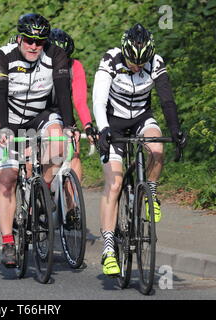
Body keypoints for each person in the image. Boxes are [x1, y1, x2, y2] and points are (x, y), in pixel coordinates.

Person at [92, 23, 186, 276]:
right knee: (114, 184)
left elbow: (166, 99)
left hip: (142, 117)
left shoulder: (154, 62)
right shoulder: (110, 60)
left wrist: (175, 129)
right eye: (133, 62)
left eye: (141, 63)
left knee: (156, 149)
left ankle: (151, 193)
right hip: (114, 123)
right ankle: (109, 249)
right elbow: (99, 100)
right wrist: (103, 130)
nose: (137, 67)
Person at [0, 13, 75, 267]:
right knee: (8, 179)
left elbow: (63, 92)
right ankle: (7, 242)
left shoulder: (56, 55)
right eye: (28, 40)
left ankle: (42, 189)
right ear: (19, 37)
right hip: (8, 118)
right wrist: (3, 129)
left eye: (39, 42)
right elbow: (0, 94)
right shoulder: (2, 56)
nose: (34, 46)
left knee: (59, 141)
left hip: (40, 116)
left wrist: (70, 125)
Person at [48, 28, 95, 183]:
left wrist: (87, 125)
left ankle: (73, 205)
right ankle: (42, 195)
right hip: (40, 113)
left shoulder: (75, 66)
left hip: (63, 112)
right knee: (41, 158)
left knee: (73, 154)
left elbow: (80, 100)